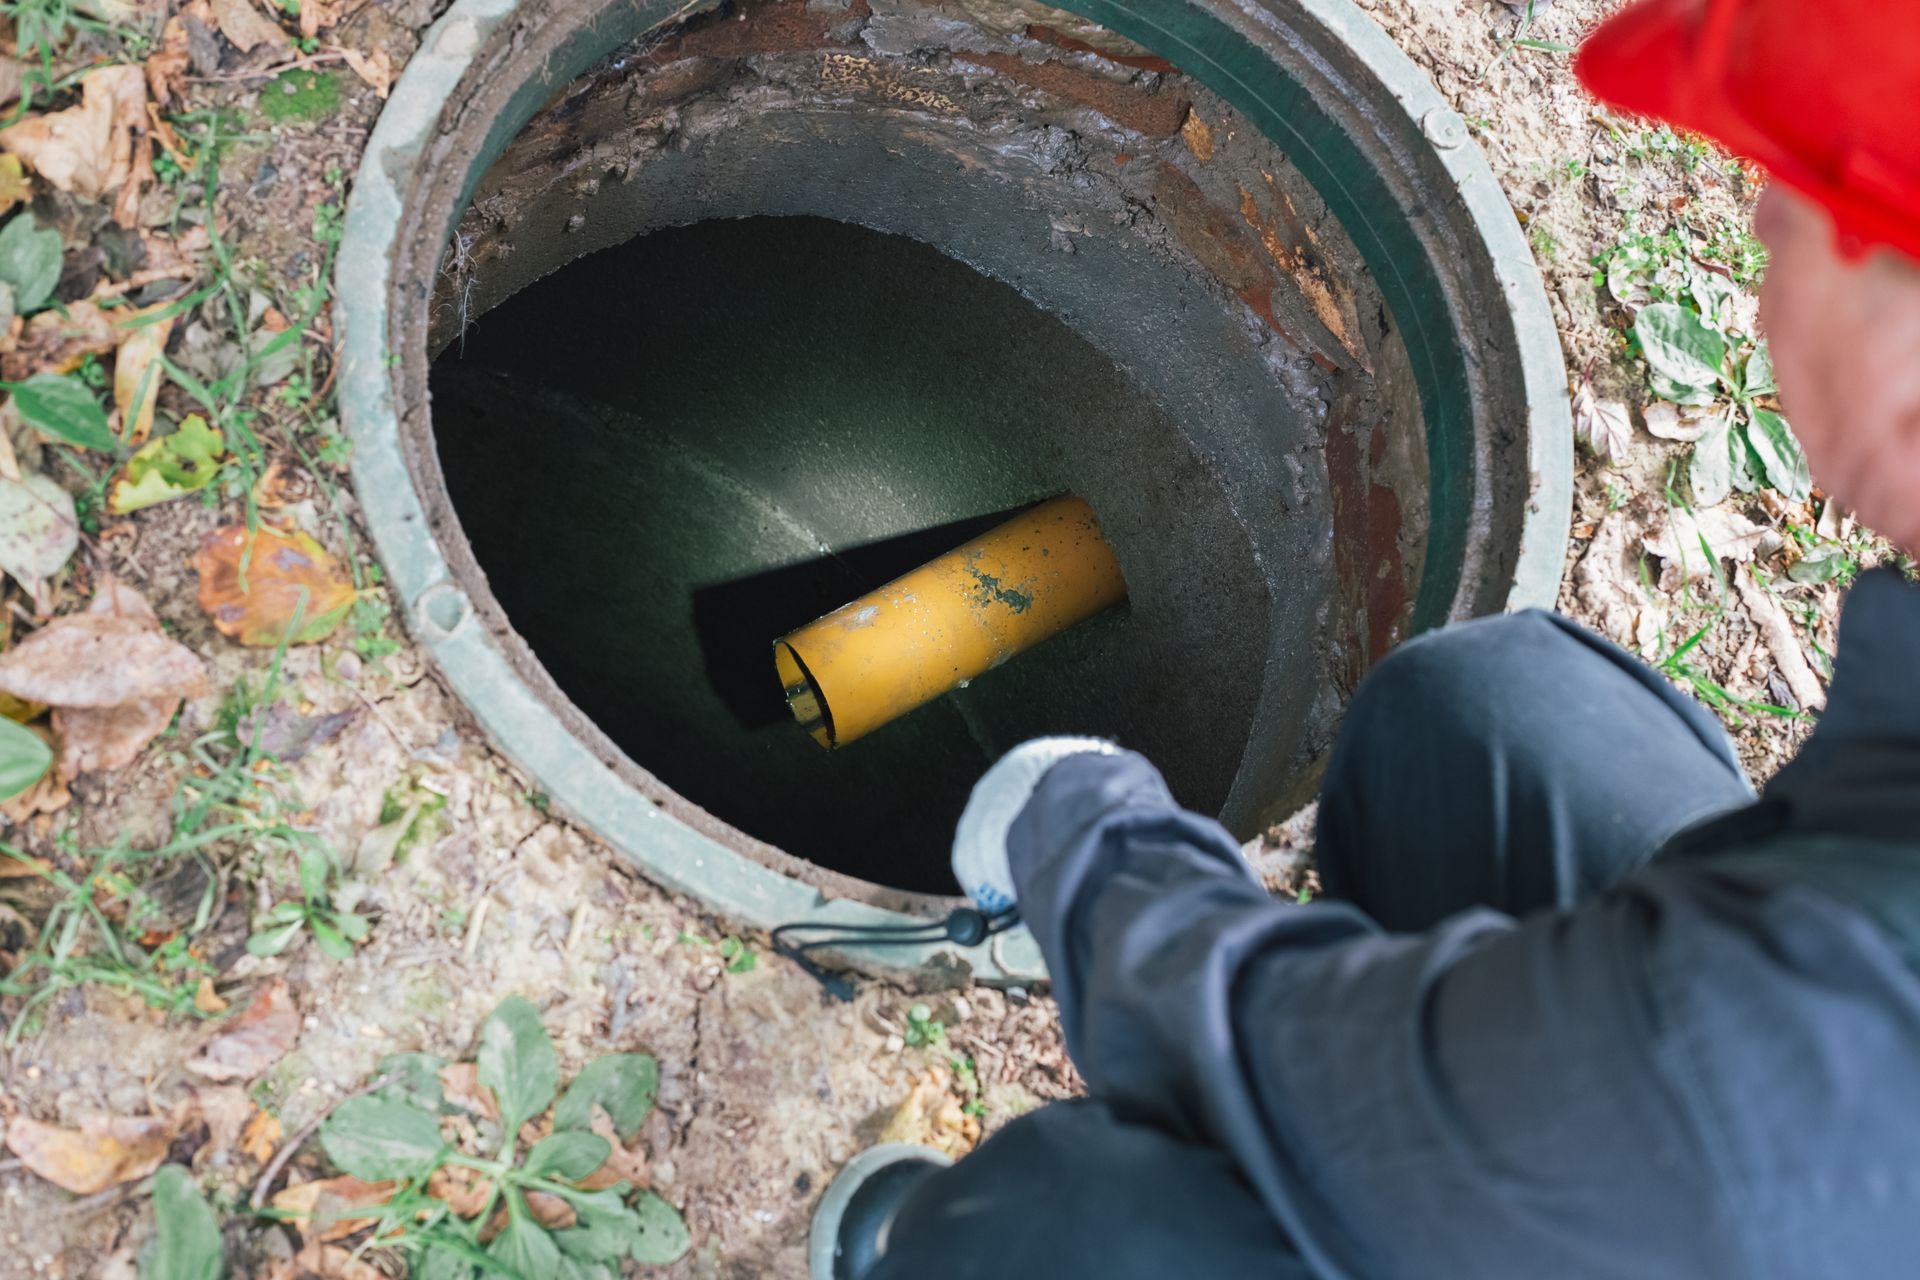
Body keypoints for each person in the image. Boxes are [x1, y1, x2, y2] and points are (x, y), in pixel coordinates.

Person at [819, 0, 1920, 1276]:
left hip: (1761, 1174)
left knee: (1060, 1228)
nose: (1763, 218)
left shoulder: (1766, 1060)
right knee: (1494, 723)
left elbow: (1275, 1049)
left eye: (1794, 198)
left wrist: (1074, 821)